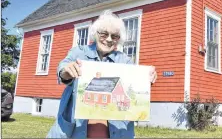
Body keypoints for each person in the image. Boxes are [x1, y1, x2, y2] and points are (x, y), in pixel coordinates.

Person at [47, 10, 157, 138]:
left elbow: (135, 90)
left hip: (116, 132)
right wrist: (66, 71)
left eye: (114, 36)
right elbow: (62, 69)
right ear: (95, 33)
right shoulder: (79, 52)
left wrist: (146, 79)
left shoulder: (124, 60)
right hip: (76, 131)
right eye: (104, 34)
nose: (109, 39)